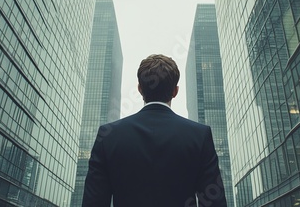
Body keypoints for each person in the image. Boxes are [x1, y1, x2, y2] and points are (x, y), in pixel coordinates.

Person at [82, 54, 227, 207]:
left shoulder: (108, 136)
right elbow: (214, 203)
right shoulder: (200, 136)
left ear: (140, 89)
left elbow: (93, 203)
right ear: (175, 91)